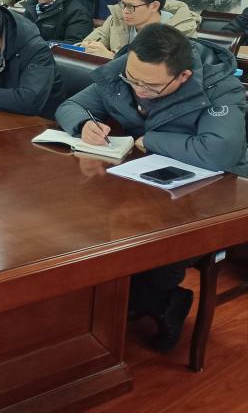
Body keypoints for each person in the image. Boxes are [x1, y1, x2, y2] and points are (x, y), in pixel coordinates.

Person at [55, 25, 248, 350]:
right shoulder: (126, 72)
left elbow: (218, 152)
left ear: (183, 76)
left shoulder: (219, 87)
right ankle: (130, 302)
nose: (139, 90)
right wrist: (84, 123)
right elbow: (70, 106)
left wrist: (152, 140)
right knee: (88, 224)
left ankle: (153, 300)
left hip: (214, 191)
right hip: (144, 180)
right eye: (133, 79)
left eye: (151, 86)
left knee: (159, 239)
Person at [81, 0, 200, 58]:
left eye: (131, 6)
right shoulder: (116, 19)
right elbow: (81, 47)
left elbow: (163, 70)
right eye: (123, 4)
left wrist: (113, 57)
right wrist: (86, 47)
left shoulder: (180, 31)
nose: (125, 11)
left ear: (154, 6)